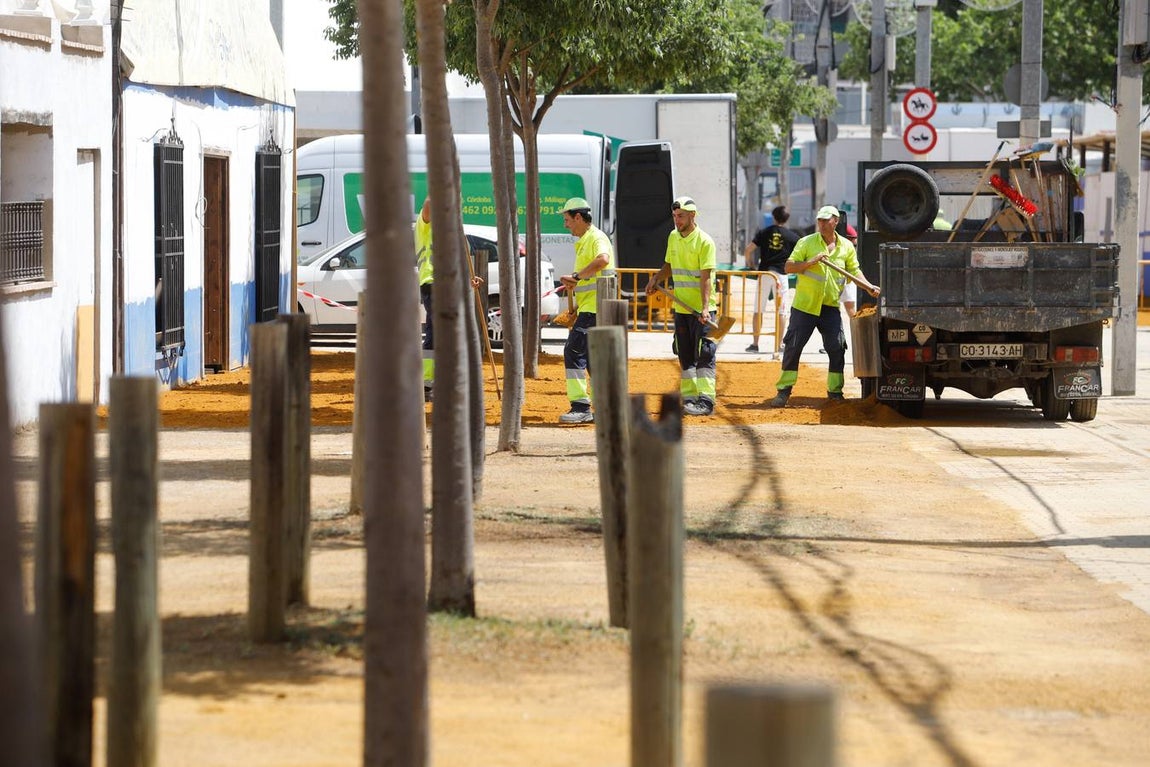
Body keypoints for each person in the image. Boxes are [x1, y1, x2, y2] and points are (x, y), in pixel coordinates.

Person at [768, 205, 880, 408]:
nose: (821, 223)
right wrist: (810, 262)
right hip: (805, 307)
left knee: (837, 348)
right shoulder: (806, 242)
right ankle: (783, 391)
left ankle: (835, 392)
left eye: (825, 220)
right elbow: (789, 267)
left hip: (829, 307)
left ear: (835, 221)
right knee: (793, 348)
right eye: (819, 220)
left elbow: (854, 271)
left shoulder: (846, 246)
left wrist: (869, 286)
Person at [645, 196, 719, 416]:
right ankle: (690, 398)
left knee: (705, 354)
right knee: (685, 354)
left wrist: (706, 308)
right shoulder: (673, 237)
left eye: (681, 216)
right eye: (675, 216)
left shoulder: (705, 242)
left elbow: (706, 277)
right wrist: (656, 278)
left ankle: (706, 401)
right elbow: (669, 264)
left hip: (702, 311)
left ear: (692, 216)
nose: (677, 221)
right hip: (682, 310)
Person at [557, 197, 615, 424]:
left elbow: (603, 260)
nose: (566, 225)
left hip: (597, 309)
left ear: (578, 217)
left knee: (574, 351)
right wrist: (577, 307)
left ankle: (581, 406)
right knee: (593, 360)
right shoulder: (584, 241)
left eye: (567, 220)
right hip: (591, 308)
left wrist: (577, 277)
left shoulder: (596, 237)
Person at [742, 205, 799, 353]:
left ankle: (755, 344)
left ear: (774, 217)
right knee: (782, 311)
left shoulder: (764, 232)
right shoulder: (792, 236)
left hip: (765, 273)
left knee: (758, 309)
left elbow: (748, 250)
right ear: (786, 219)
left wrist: (751, 265)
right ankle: (779, 345)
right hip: (781, 275)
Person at [415, 197, 435, 401]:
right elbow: (428, 204)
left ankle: (430, 383)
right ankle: (427, 384)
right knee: (437, 334)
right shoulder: (425, 226)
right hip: (432, 283)